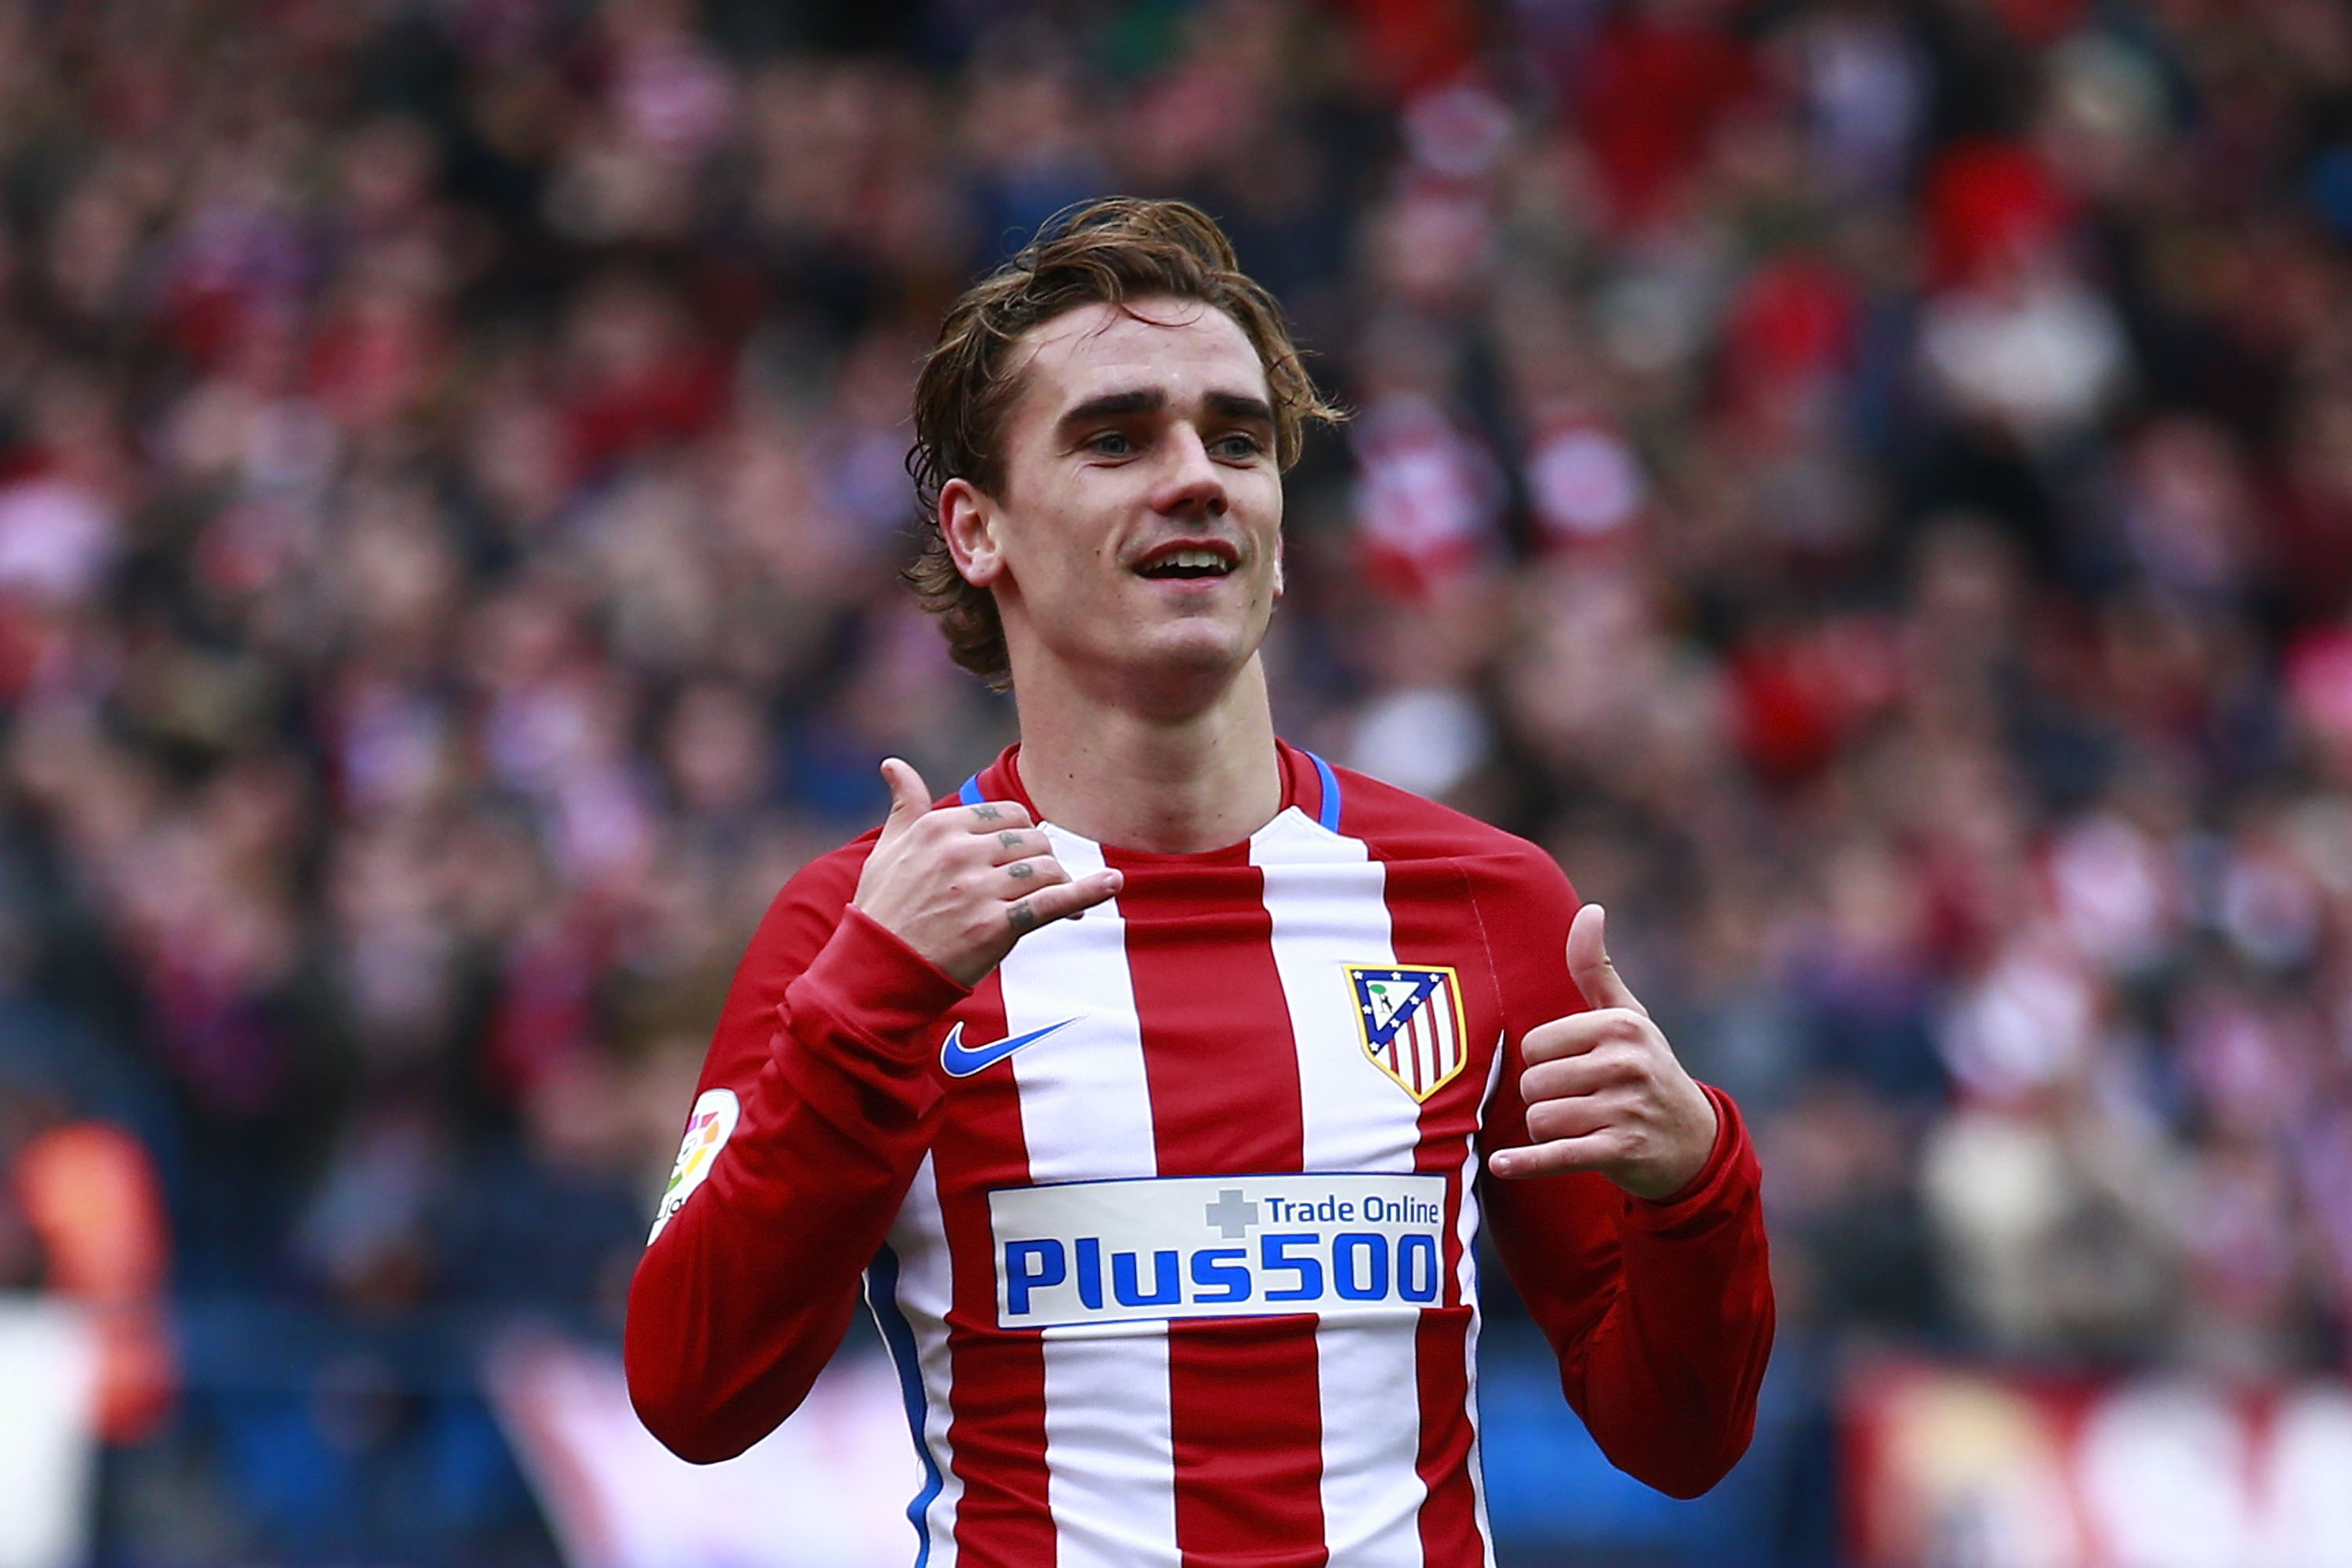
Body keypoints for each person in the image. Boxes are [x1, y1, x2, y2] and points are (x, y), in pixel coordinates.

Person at [624, 198, 1772, 1565]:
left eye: (1237, 440)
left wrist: (1697, 1180)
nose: (1197, 478)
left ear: (1280, 532)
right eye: (1116, 440)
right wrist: (874, 999)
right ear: (977, 529)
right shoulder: (868, 928)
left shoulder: (1483, 901)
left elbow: (1680, 1437)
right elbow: (694, 1398)